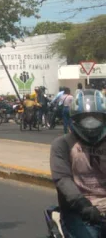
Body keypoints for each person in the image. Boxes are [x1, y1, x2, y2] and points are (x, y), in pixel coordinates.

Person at [50, 89, 106, 238]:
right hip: (79, 210)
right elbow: (62, 179)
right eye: (85, 118)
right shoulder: (62, 144)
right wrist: (83, 205)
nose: (91, 124)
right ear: (74, 119)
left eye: (96, 117)